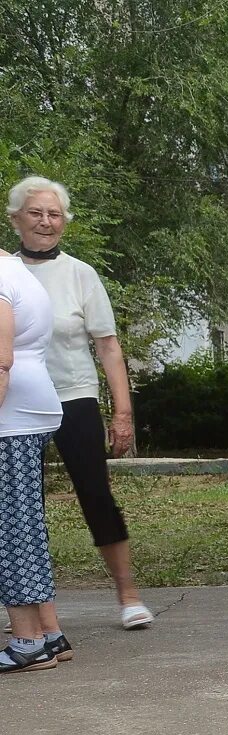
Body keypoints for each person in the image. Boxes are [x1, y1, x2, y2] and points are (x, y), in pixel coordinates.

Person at [7, 176, 151, 628]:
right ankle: (27, 607)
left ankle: (128, 594)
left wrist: (122, 412)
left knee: (95, 493)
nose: (45, 222)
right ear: (15, 220)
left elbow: (108, 345)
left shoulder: (80, 273)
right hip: (15, 404)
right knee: (19, 505)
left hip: (73, 397)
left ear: (65, 222)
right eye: (35, 213)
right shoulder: (5, 270)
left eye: (54, 214)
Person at [0, 248, 71, 673]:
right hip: (28, 410)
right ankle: (48, 633)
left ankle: (27, 641)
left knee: (11, 528)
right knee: (22, 523)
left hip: (9, 418)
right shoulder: (13, 267)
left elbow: (0, 361)